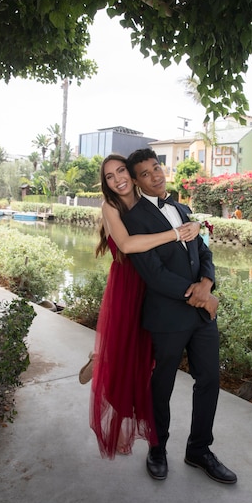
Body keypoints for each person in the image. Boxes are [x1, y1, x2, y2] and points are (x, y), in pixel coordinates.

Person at [123, 148, 237, 485]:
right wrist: (200, 298)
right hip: (168, 318)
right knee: (162, 385)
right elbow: (153, 274)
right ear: (136, 181)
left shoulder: (182, 208)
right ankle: (157, 448)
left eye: (156, 168)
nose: (155, 176)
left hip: (201, 317)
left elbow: (204, 249)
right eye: (145, 173)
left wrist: (207, 283)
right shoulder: (135, 219)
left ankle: (199, 450)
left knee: (209, 381)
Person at [86, 154, 200, 459]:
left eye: (121, 171)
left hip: (154, 286)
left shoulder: (148, 198)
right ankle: (105, 369)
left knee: (148, 357)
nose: (118, 179)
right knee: (127, 354)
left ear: (132, 175)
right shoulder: (111, 206)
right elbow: (126, 245)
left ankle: (102, 356)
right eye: (110, 176)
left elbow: (178, 217)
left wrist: (192, 226)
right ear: (106, 183)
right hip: (128, 286)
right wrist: (177, 234)